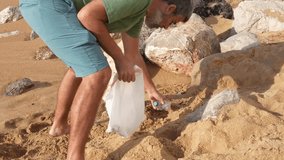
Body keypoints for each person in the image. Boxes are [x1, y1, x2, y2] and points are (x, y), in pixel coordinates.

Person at [19, 0, 194, 159]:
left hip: (48, 5)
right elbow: (87, 16)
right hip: (47, 4)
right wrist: (118, 59)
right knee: (98, 73)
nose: (165, 27)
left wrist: (150, 89)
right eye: (171, 22)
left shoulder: (137, 15)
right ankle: (75, 155)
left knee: (81, 65)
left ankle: (59, 125)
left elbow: (132, 55)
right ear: (169, 8)